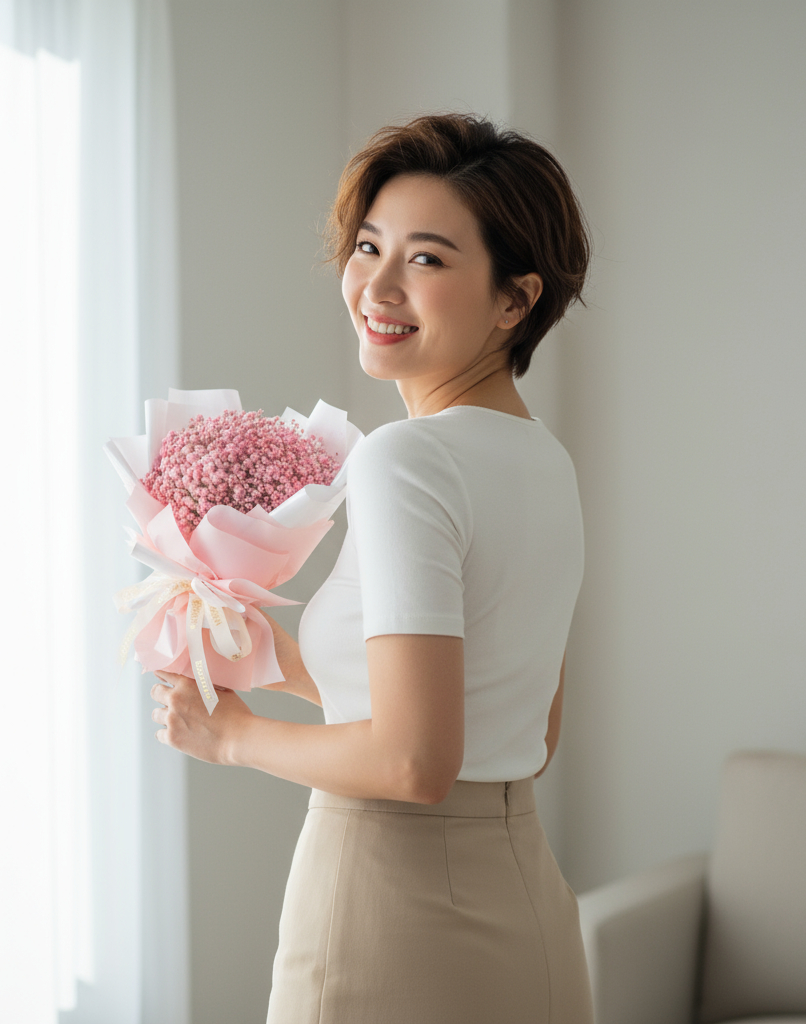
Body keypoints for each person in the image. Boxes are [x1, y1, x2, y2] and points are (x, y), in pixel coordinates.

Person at [151, 112, 594, 1024]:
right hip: (527, 909)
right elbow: (516, 727)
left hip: (389, 910)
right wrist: (279, 660)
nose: (377, 286)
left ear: (515, 301)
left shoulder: (406, 457)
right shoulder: (545, 460)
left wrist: (230, 737)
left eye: (426, 258)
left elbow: (413, 761)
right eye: (368, 247)